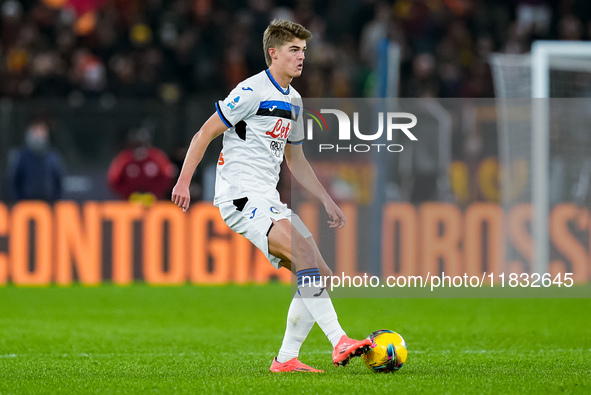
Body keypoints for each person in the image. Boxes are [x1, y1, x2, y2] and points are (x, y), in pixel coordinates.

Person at [171, 19, 371, 373]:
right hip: (241, 195)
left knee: (319, 272)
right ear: (273, 53)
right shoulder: (250, 92)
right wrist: (184, 182)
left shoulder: (293, 100)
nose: (301, 57)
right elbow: (204, 133)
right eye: (294, 50)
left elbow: (296, 158)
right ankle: (340, 341)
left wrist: (326, 199)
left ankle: (286, 359)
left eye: (304, 51)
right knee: (306, 252)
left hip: (268, 198)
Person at [107, 127, 175, 204]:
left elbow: (168, 175)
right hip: (128, 202)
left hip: (155, 202)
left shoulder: (156, 157)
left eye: (142, 144)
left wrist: (156, 192)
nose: (140, 148)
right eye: (136, 145)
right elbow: (113, 179)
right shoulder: (124, 158)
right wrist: (127, 193)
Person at [8, 120, 64, 202]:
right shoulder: (21, 156)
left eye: (41, 132)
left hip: (48, 203)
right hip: (26, 204)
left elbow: (58, 181)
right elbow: (15, 181)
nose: (39, 136)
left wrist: (56, 202)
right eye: (36, 132)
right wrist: (18, 202)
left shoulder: (53, 156)